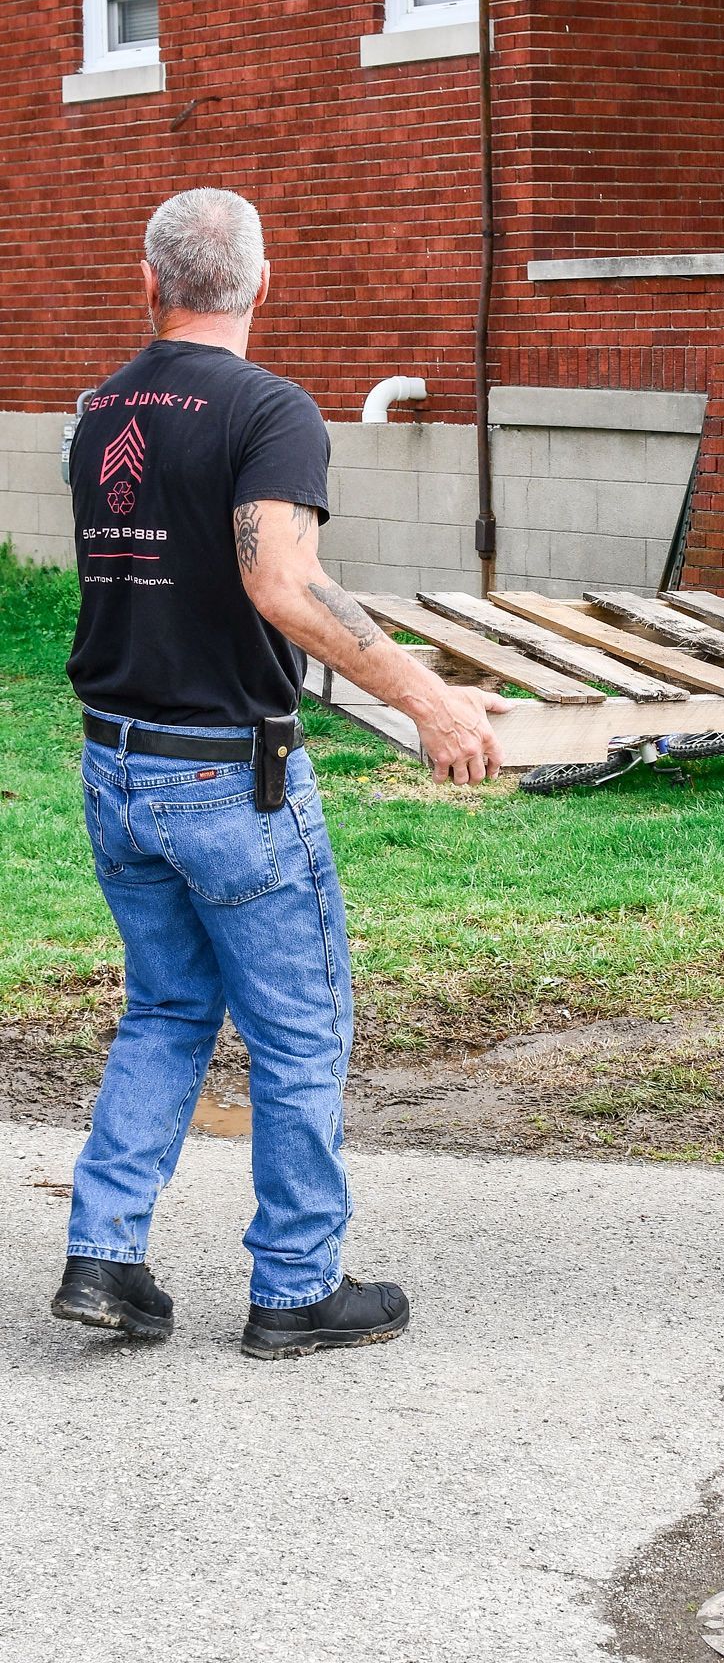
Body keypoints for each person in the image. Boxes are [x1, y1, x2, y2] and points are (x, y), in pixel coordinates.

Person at [51, 187, 509, 1356]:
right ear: (263, 284)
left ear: (145, 285)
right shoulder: (271, 409)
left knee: (163, 1008)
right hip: (225, 778)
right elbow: (280, 585)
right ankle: (296, 1286)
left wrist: (436, 690)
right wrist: (430, 705)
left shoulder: (101, 408)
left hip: (116, 761)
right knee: (301, 1029)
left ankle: (104, 1257)